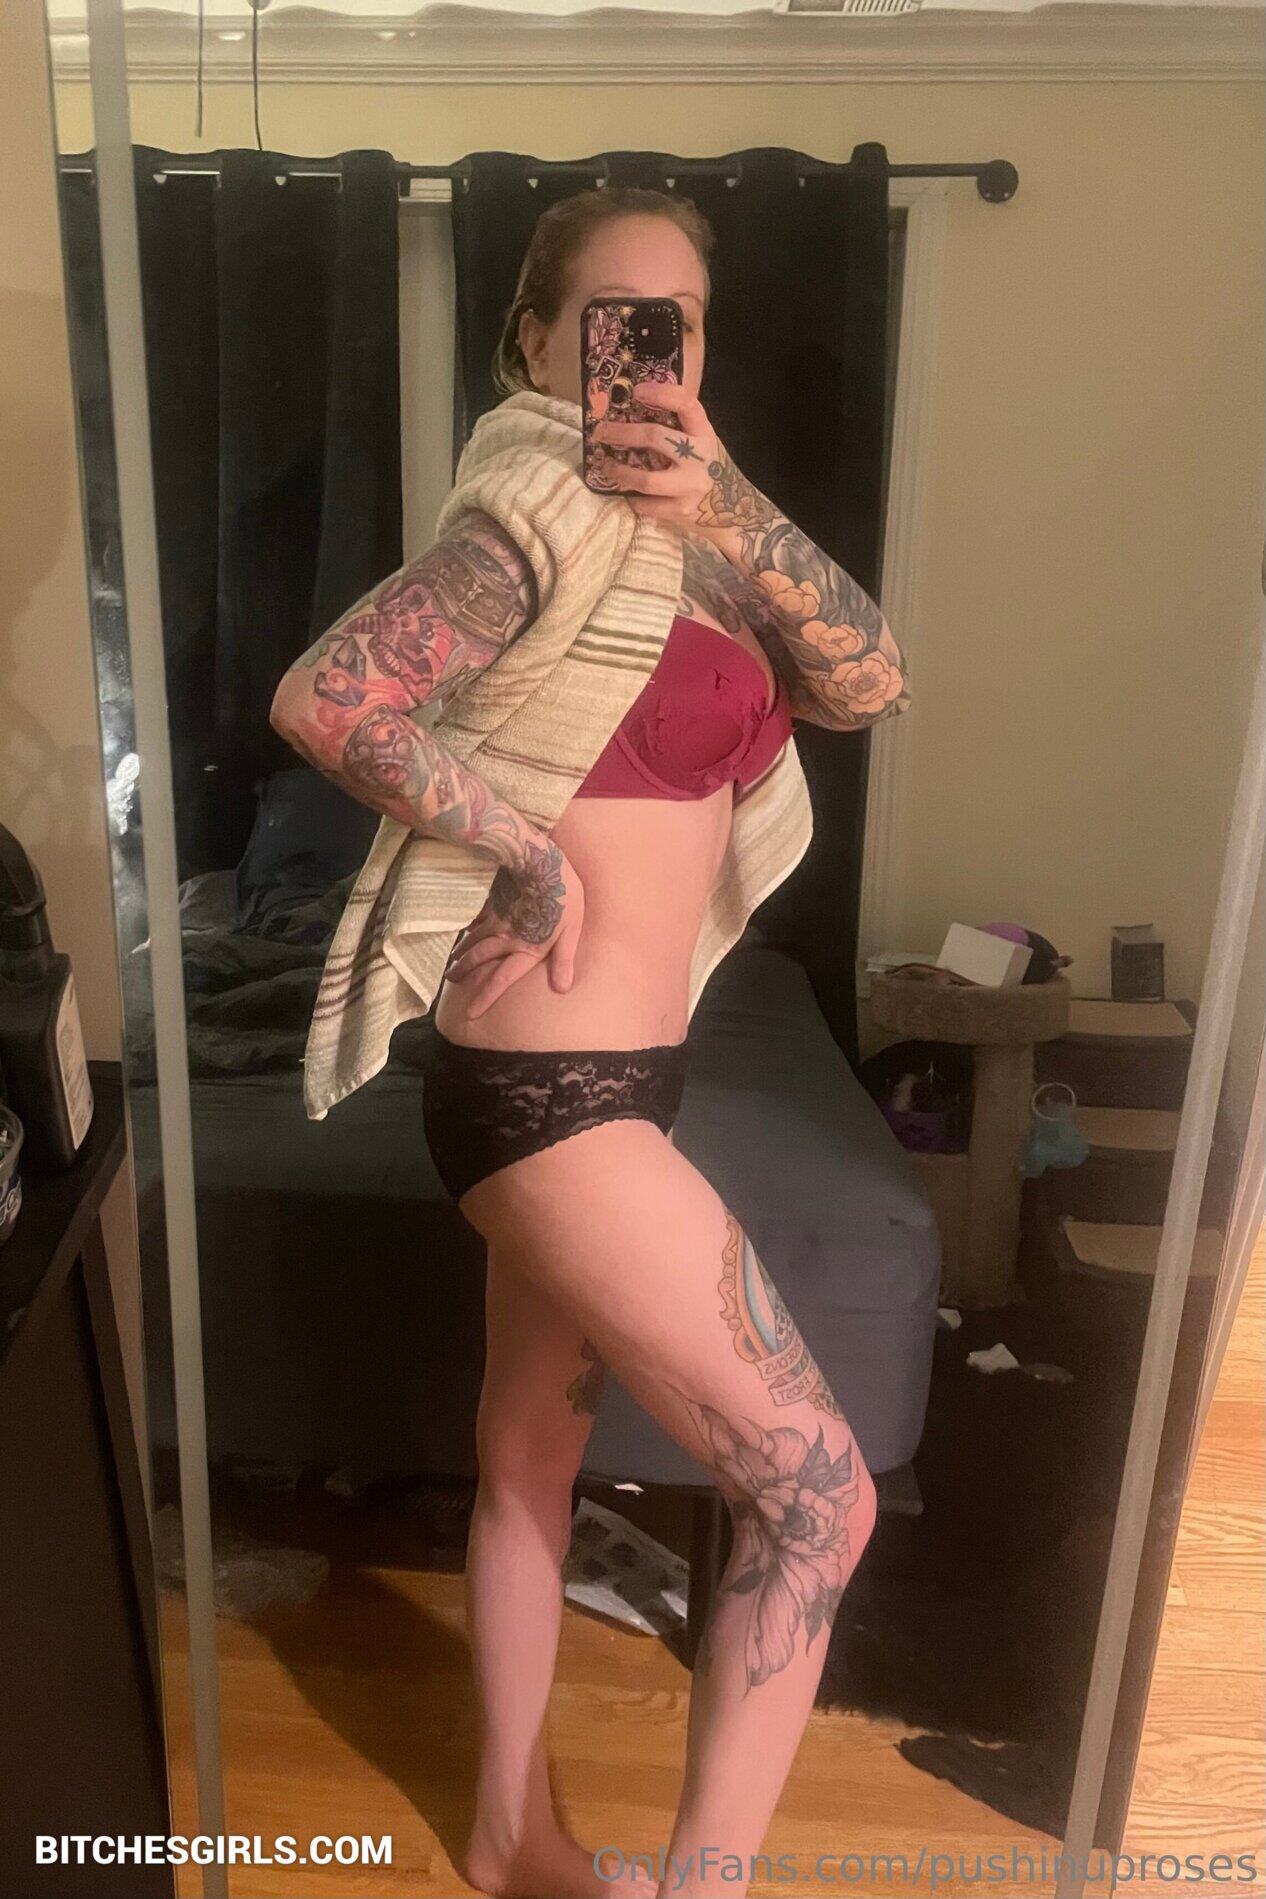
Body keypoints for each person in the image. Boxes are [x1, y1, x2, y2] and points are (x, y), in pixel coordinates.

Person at [271, 186, 910, 1899]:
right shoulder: (526, 518)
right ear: (535, 340)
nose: (645, 352)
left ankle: (511, 1843)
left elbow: (865, 678)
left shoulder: (706, 537)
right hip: (539, 1093)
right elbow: (330, 696)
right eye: (613, 320)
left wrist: (726, 497)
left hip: (623, 1074)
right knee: (817, 1500)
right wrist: (524, 847)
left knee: (527, 1456)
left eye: (674, 326)